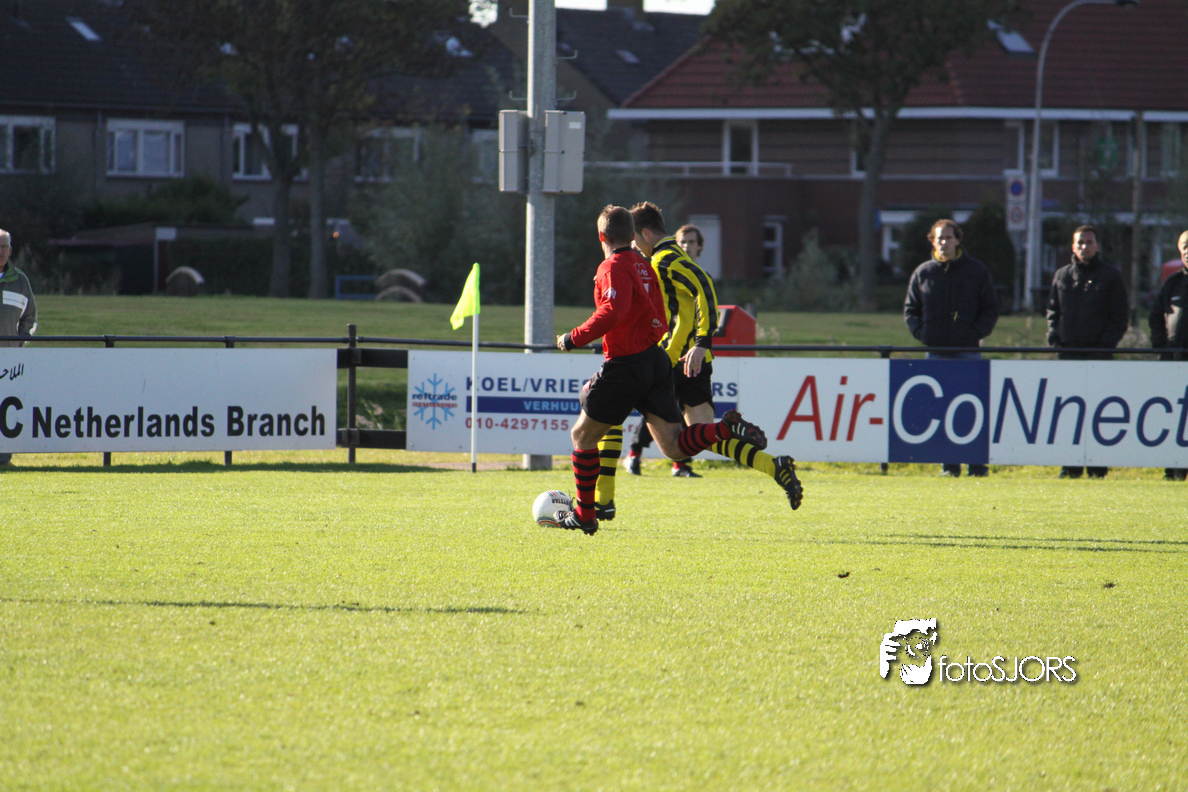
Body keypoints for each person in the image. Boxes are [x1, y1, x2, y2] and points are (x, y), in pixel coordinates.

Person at [553, 205, 802, 534]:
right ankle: (749, 448)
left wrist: (702, 341)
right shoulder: (645, 264)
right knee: (677, 444)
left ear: (608, 236)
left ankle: (594, 507)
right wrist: (656, 340)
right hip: (659, 359)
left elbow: (696, 286)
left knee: (589, 430)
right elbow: (659, 312)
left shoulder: (651, 260)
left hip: (663, 360)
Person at [619, 215, 713, 479]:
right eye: (683, 241)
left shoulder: (675, 265)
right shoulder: (663, 262)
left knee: (679, 414)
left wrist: (702, 342)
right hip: (668, 354)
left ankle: (678, 464)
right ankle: (635, 454)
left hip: (689, 355)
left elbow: (703, 298)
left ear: (699, 247)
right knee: (658, 408)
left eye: (691, 242)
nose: (686, 246)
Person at [903, 218, 999, 477]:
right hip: (936, 352)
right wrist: (922, 334)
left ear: (958, 240)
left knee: (972, 407)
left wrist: (975, 333)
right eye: (939, 238)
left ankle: (976, 464)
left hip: (968, 351)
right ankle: (949, 464)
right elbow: (911, 310)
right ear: (932, 241)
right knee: (940, 409)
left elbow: (990, 308)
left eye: (948, 237)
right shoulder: (924, 273)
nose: (944, 242)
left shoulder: (976, 271)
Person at [1046, 224, 1129, 480]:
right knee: (1067, 412)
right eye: (1080, 242)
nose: (1084, 246)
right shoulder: (1062, 275)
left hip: (1098, 356)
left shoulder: (1111, 276)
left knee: (1098, 413)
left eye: (1089, 242)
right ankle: (1069, 466)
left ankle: (1097, 467)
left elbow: (1119, 316)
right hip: (1068, 355)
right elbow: (1052, 311)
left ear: (1097, 245)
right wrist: (1054, 337)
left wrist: (1105, 345)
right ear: (1073, 246)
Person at [1148, 229, 1188, 481]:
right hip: (1175, 362)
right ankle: (1172, 470)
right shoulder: (1172, 284)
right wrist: (1161, 348)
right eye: (1185, 247)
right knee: (1174, 417)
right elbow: (1155, 318)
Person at [0, 228, 37, 466]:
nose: (1, 251)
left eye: (4, 247)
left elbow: (30, 319)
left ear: (10, 250)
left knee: (4, 407)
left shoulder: (21, 281)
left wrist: (18, 343)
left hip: (8, 362)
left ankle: (3, 456)